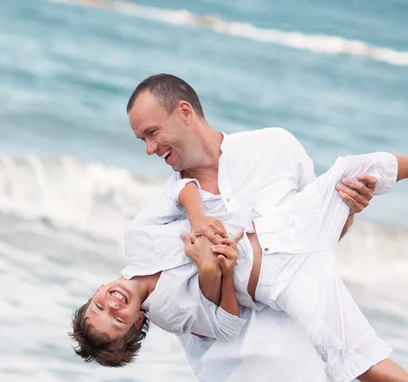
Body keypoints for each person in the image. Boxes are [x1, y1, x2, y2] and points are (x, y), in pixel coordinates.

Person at [70, 74, 406, 381]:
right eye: (142, 139)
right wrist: (212, 269)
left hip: (288, 241)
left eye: (152, 133)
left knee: (357, 169)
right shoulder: (166, 309)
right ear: (135, 323)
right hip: (268, 330)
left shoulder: (275, 148)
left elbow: (325, 233)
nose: (149, 150)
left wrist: (348, 209)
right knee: (354, 357)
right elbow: (221, 318)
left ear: (184, 112)